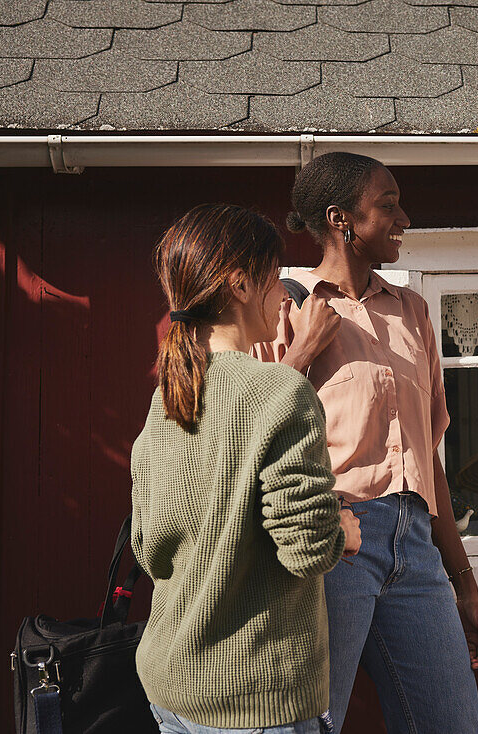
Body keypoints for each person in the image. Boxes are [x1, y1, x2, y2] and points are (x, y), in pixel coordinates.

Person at [253, 152, 478, 734]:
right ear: (341, 219)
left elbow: (428, 455)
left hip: (415, 544)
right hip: (332, 541)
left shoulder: (411, 311)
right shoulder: (285, 303)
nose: (404, 218)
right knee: (307, 726)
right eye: (387, 206)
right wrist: (304, 352)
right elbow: (253, 431)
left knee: (455, 725)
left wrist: (465, 586)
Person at [131, 203, 361, 734]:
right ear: (239, 284)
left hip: (171, 686)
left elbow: (148, 546)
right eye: (275, 276)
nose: (284, 294)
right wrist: (342, 531)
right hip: (253, 697)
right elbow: (306, 549)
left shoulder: (169, 398)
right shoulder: (278, 391)